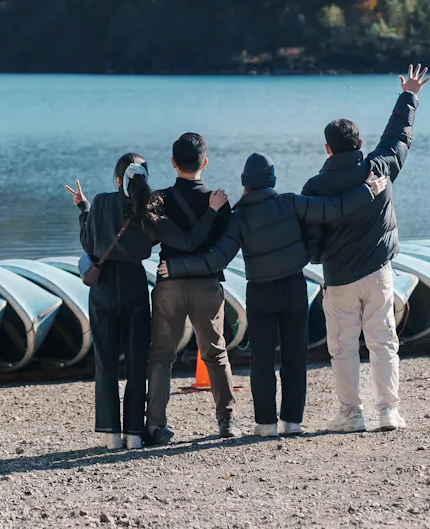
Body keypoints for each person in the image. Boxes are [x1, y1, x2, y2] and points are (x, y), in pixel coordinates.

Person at [156, 155, 387, 437]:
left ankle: (265, 423)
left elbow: (217, 259)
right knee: (294, 357)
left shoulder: (239, 217)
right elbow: (333, 209)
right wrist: (368, 191)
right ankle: (292, 422)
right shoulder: (291, 202)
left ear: (245, 184)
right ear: (272, 181)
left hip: (260, 293)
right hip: (293, 287)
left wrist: (177, 266)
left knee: (262, 360)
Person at [303, 63, 430, 434]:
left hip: (339, 277)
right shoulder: (378, 169)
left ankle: (351, 413)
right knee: (383, 341)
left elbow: (309, 238)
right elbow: (397, 137)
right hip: (378, 272)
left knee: (342, 347)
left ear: (327, 148)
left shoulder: (315, 186)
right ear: (359, 144)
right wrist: (409, 95)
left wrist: (318, 257)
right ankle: (389, 411)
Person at [66, 153, 220, 451]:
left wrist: (84, 208)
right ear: (145, 179)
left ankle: (111, 433)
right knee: (137, 361)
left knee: (106, 360)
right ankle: (134, 434)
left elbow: (89, 244)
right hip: (135, 285)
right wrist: (211, 211)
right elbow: (188, 242)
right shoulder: (151, 210)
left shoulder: (101, 202)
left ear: (117, 179)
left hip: (105, 287)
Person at [145, 132, 241, 443]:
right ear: (205, 162)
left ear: (173, 163)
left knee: (161, 356)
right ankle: (226, 420)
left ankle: (155, 425)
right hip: (206, 285)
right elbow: (222, 248)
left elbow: (152, 239)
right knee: (215, 352)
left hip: (169, 283)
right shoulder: (220, 201)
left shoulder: (158, 199)